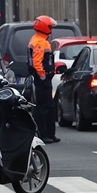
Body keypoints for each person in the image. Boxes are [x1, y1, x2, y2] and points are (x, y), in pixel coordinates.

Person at [28, 15, 59, 143]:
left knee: (49, 106)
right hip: (42, 80)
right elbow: (37, 63)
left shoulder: (39, 40)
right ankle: (42, 134)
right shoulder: (39, 42)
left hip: (45, 79)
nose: (51, 29)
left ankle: (50, 134)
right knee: (42, 107)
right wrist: (43, 77)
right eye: (50, 27)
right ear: (44, 27)